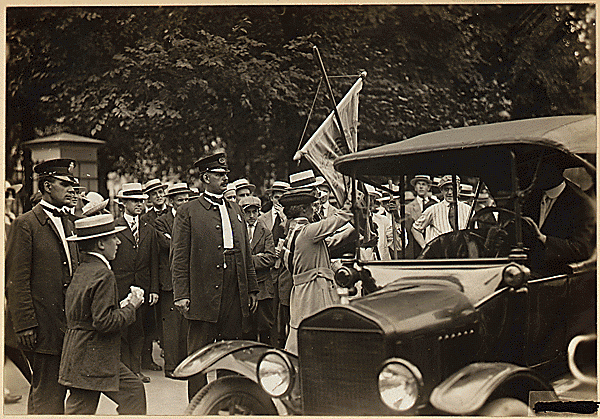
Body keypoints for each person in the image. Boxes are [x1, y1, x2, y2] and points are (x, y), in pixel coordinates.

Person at [171, 152, 258, 400]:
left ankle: (226, 401)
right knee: (198, 354)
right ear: (206, 177)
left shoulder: (236, 210)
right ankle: (199, 406)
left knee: (230, 352)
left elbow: (245, 253)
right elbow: (179, 256)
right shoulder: (188, 211)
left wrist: (251, 288)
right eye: (219, 175)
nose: (225, 179)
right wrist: (181, 295)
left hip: (234, 288)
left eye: (226, 175)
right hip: (203, 289)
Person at [5, 158, 80, 414]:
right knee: (47, 392)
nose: (72, 190)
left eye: (74, 186)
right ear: (47, 186)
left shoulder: (70, 222)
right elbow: (16, 280)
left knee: (55, 392)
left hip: (68, 325)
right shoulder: (25, 224)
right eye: (65, 184)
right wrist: (25, 324)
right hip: (42, 326)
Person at [59, 214, 146, 415]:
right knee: (133, 392)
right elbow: (104, 322)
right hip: (94, 357)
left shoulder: (83, 269)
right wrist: (132, 306)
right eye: (113, 238)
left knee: (130, 391)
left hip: (81, 354)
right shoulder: (103, 274)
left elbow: (88, 312)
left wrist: (121, 305)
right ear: (100, 244)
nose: (117, 242)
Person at [280, 189, 353, 354]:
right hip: (313, 290)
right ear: (303, 210)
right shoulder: (308, 232)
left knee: (301, 331)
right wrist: (350, 204)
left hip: (302, 291)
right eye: (311, 207)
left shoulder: (293, 232)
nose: (315, 210)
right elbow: (337, 220)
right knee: (317, 330)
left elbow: (327, 245)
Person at [112, 183, 160, 383]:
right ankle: (123, 371)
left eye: (141, 201)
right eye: (134, 201)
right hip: (120, 285)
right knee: (122, 329)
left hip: (142, 285)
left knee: (139, 329)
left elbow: (154, 261)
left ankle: (135, 369)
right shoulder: (115, 226)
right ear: (123, 203)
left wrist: (154, 289)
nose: (139, 204)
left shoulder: (149, 228)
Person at [520, 160, 596, 274]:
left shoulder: (582, 204)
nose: (532, 174)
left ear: (554, 169)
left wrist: (544, 239)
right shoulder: (531, 198)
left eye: (537, 168)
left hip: (559, 278)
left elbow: (582, 249)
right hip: (525, 273)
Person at [153, 183, 190, 378]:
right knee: (171, 326)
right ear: (171, 201)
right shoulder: (162, 221)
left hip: (187, 279)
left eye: (186, 199)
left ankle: (184, 365)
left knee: (186, 325)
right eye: (180, 200)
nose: (184, 203)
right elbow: (167, 245)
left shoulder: (192, 218)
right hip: (168, 281)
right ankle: (171, 366)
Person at [258, 180, 290, 347]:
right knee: (270, 310)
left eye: (283, 197)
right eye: (277, 197)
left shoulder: (291, 218)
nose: (279, 201)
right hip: (269, 270)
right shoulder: (262, 218)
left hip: (285, 269)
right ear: (271, 197)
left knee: (286, 311)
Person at [240, 196, 276, 344]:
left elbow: (270, 258)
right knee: (247, 329)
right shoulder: (238, 231)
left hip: (263, 288)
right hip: (245, 286)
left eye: (255, 212)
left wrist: (247, 260)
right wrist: (256, 258)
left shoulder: (265, 232)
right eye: (248, 212)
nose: (251, 216)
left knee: (265, 326)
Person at [412, 175, 471, 247]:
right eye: (446, 189)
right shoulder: (433, 209)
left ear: (459, 189)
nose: (449, 192)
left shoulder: (468, 210)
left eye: (453, 189)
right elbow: (415, 229)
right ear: (441, 190)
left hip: (461, 254)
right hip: (439, 255)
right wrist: (425, 248)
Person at [405, 175, 438, 257]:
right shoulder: (408, 207)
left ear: (428, 188)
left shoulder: (435, 205)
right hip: (414, 246)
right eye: (418, 184)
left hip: (432, 243)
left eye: (423, 184)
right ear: (415, 188)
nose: (421, 187)